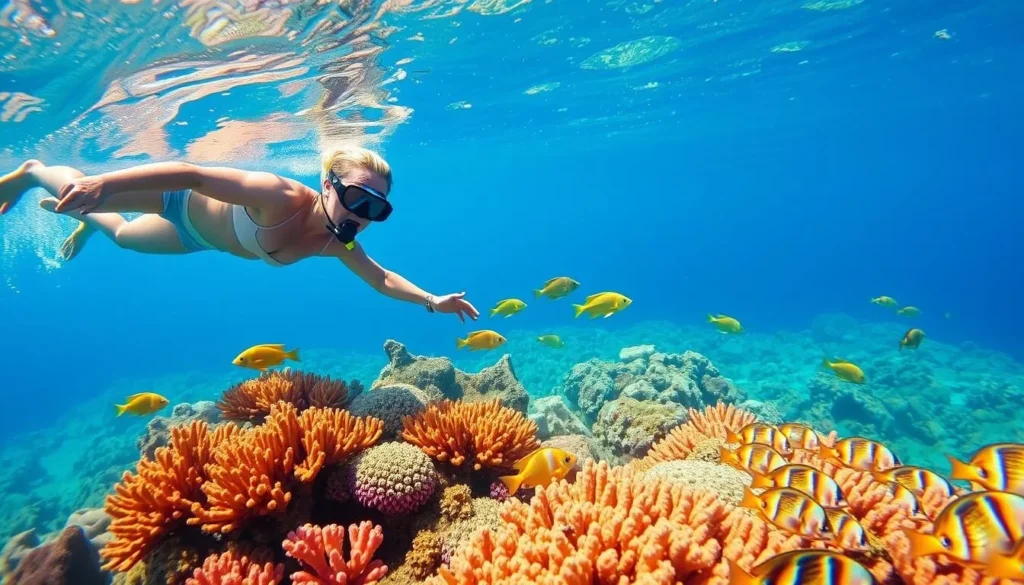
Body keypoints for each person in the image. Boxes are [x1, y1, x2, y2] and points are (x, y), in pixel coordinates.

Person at [0, 146, 480, 321]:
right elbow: (192, 175)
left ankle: (86, 220)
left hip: (198, 239)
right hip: (176, 199)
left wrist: (432, 301)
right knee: (77, 190)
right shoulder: (279, 195)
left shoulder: (338, 241)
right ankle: (32, 171)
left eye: (378, 209)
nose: (363, 214)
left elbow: (380, 278)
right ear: (326, 185)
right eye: (357, 197)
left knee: (123, 238)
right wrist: (105, 184)